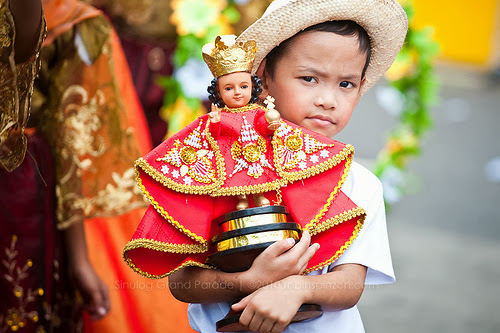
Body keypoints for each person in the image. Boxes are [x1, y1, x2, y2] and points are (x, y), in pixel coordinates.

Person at [125, 0, 407, 332]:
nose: (328, 99)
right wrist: (248, 280)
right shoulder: (214, 169)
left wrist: (297, 287)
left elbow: (349, 285)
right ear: (264, 79)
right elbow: (182, 283)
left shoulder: (359, 183)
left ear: (360, 90)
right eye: (309, 78)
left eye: (346, 84)